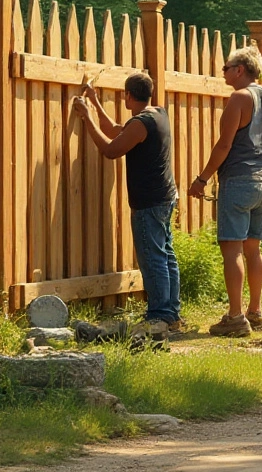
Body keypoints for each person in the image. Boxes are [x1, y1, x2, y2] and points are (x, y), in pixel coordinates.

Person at [72, 73, 181, 338]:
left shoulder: (141, 122)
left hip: (149, 202)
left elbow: (110, 149)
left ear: (128, 95)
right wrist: (95, 104)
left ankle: (159, 316)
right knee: (165, 255)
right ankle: (171, 314)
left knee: (153, 258)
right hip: (166, 197)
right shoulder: (157, 114)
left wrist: (86, 116)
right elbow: (117, 132)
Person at [188, 45, 262, 338]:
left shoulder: (240, 98)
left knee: (232, 250)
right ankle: (255, 312)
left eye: (227, 68)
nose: (224, 72)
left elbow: (224, 145)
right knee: (253, 248)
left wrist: (202, 179)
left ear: (240, 70)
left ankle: (234, 316)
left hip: (239, 180)